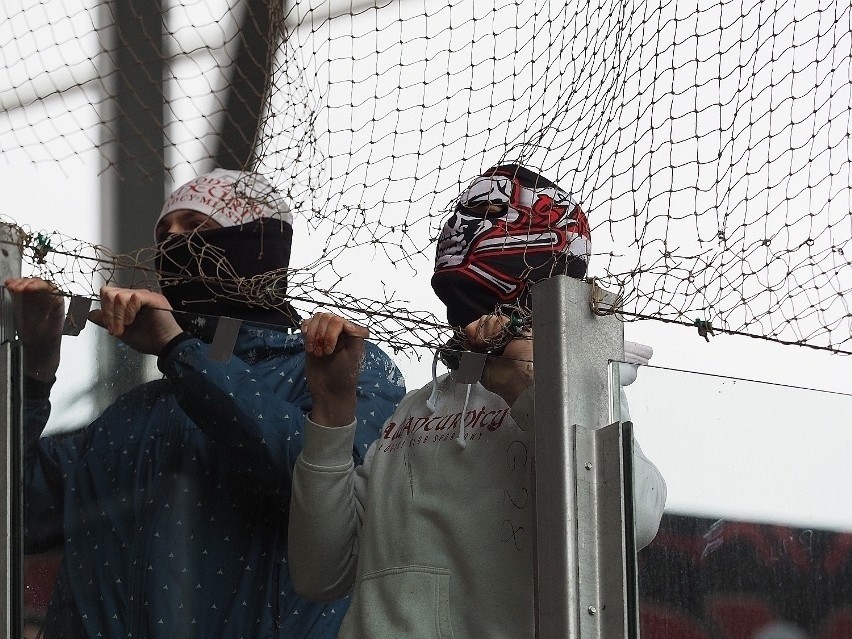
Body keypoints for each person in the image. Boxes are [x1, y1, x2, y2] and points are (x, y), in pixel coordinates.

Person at [6, 168, 406, 638]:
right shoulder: (133, 413)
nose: (174, 241)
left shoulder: (337, 366)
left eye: (197, 228)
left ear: (258, 246)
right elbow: (18, 509)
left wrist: (180, 352)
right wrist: (34, 368)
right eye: (164, 232)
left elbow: (327, 488)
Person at [288, 164, 667, 638]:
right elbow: (319, 573)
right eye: (464, 210)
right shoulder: (414, 409)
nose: (464, 225)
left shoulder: (579, 390)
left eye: (489, 210)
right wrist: (331, 408)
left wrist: (526, 387)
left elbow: (639, 518)